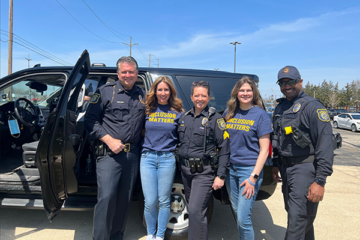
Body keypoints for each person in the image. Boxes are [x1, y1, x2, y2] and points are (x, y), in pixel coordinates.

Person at [84, 56, 145, 240]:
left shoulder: (142, 95)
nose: (128, 75)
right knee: (107, 198)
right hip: (109, 154)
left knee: (124, 199)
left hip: (132, 154)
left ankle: (117, 235)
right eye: (124, 72)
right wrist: (108, 139)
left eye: (131, 71)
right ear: (118, 73)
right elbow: (89, 120)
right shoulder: (104, 92)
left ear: (137, 73)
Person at [272, 66, 333, 240]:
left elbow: (325, 145)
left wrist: (320, 181)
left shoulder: (312, 107)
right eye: (282, 83)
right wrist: (276, 164)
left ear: (300, 81)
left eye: (291, 81)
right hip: (286, 169)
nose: (286, 86)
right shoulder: (281, 108)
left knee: (297, 222)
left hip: (304, 169)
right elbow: (278, 139)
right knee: (297, 215)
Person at [177, 81, 230, 240]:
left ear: (209, 97)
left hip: (204, 173)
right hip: (186, 171)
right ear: (192, 97)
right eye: (197, 95)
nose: (200, 98)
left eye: (204, 95)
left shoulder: (216, 119)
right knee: (196, 212)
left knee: (195, 210)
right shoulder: (184, 117)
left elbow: (225, 148)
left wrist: (220, 175)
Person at [223, 76, 273, 240]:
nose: (245, 93)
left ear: (254, 93)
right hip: (231, 170)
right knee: (238, 214)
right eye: (242, 90)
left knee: (244, 219)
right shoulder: (229, 113)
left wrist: (253, 177)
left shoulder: (260, 115)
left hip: (249, 171)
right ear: (236, 93)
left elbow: (264, 150)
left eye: (248, 90)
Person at [140, 76, 183, 240]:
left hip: (167, 159)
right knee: (150, 201)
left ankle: (160, 235)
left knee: (164, 201)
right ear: (155, 91)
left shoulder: (177, 112)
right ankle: (150, 233)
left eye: (166, 89)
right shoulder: (147, 109)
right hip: (147, 158)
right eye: (160, 89)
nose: (163, 93)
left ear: (171, 91)